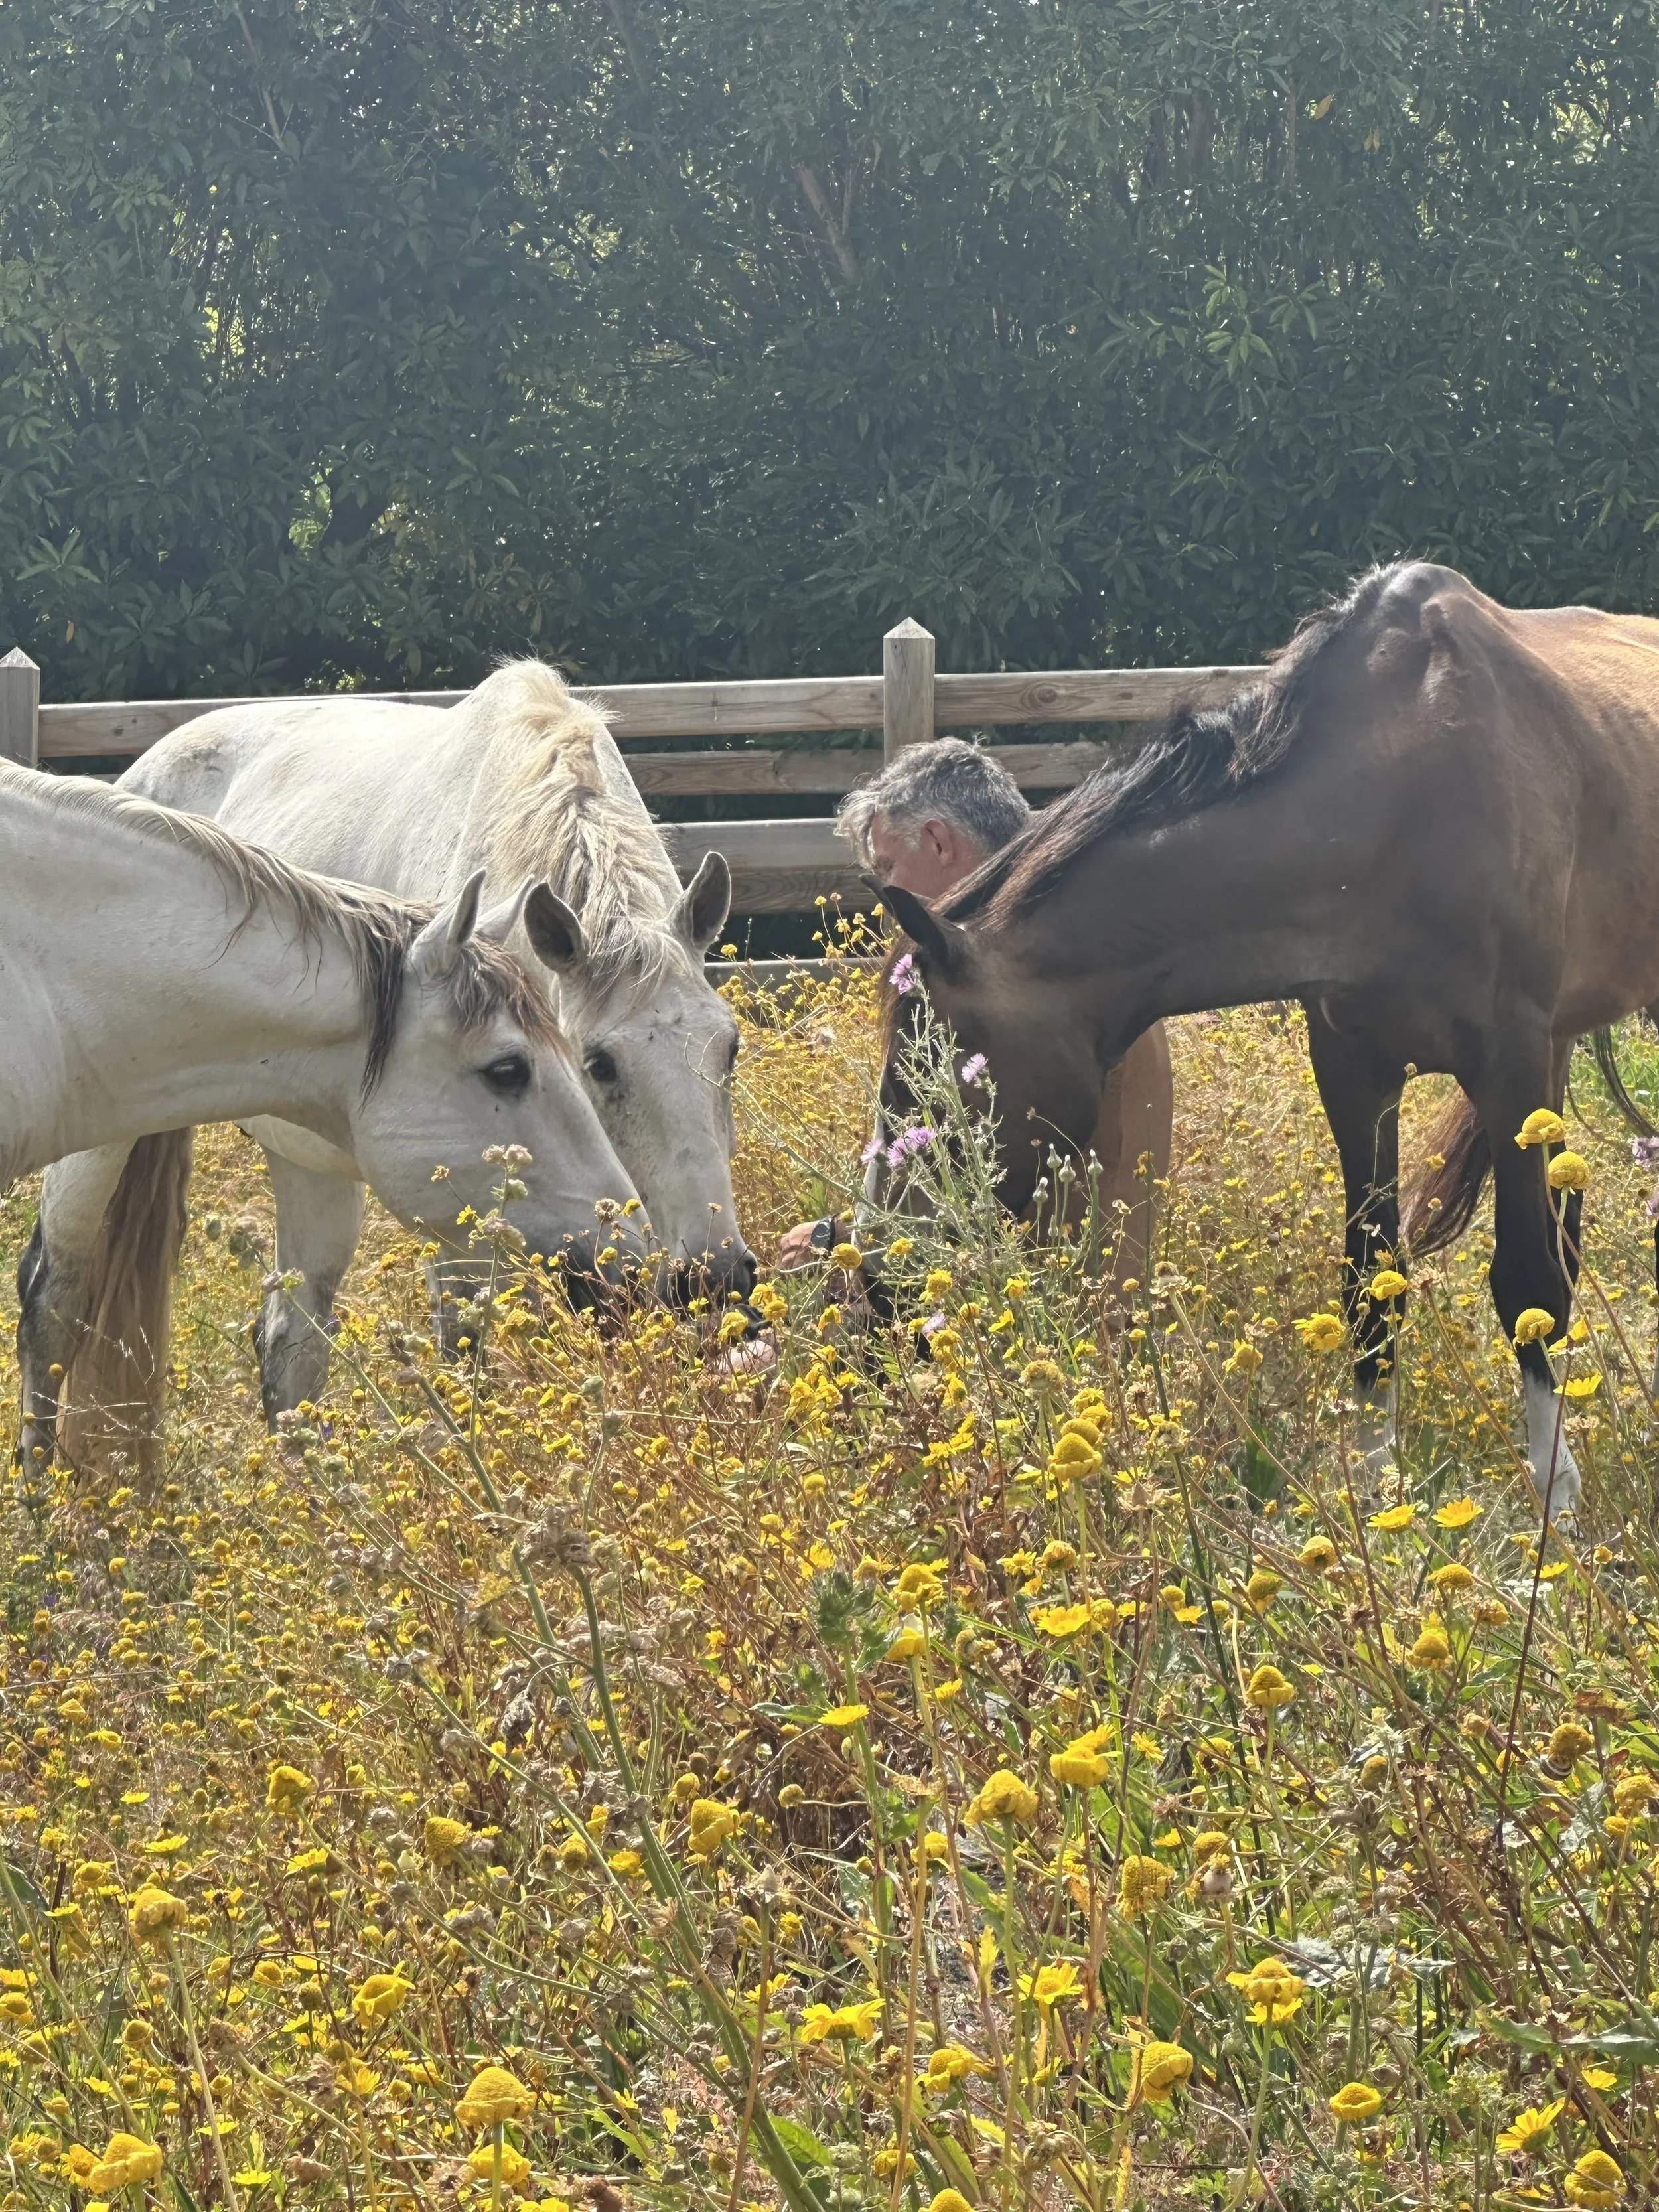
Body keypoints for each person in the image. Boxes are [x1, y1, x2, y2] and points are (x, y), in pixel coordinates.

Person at [776, 737, 1174, 1276]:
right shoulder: (1065, 943)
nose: (887, 900)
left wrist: (835, 1244)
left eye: (889, 865)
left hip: (1032, 1319)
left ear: (939, 842)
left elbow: (970, 1216)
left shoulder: (1017, 983)